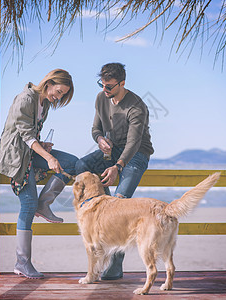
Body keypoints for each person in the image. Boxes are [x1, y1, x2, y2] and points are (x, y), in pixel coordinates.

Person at [0, 69, 78, 279]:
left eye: (62, 95)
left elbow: (32, 138)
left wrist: (43, 146)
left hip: (31, 151)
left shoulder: (45, 104)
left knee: (72, 163)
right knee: (28, 204)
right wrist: (48, 157)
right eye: (58, 92)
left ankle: (45, 203)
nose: (57, 97)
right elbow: (25, 135)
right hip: (17, 157)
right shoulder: (25, 99)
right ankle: (22, 263)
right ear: (48, 83)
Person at [75, 62, 154, 280]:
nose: (104, 90)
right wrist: (99, 139)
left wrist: (118, 167)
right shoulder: (101, 98)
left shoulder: (136, 106)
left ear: (122, 83)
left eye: (109, 86)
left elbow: (134, 143)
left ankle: (116, 265)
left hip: (136, 154)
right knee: (81, 166)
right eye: (102, 84)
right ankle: (105, 211)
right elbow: (95, 128)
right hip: (111, 151)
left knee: (121, 202)